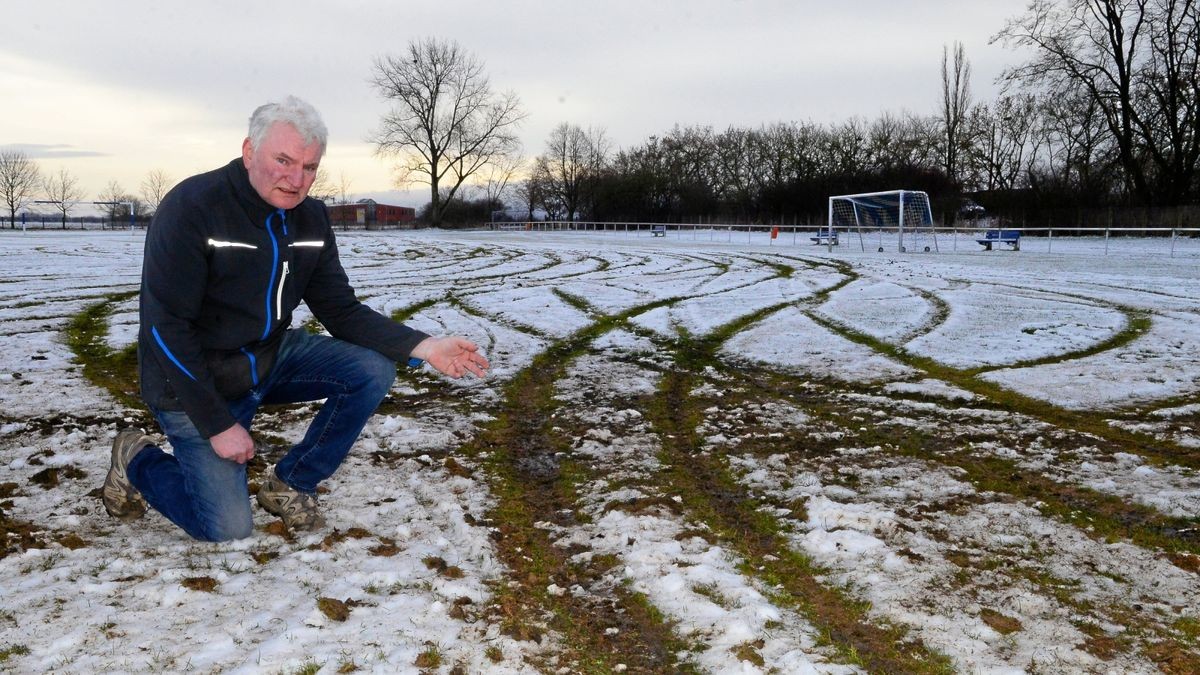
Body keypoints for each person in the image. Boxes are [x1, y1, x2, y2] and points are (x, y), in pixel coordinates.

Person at [101, 95, 488, 542]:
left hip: (267, 357)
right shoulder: (193, 208)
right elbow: (165, 328)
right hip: (193, 381)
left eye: (309, 167)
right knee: (225, 528)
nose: (296, 178)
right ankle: (136, 458)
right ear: (250, 152)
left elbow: (341, 310)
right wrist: (218, 424)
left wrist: (425, 346)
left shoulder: (310, 219)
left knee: (370, 370)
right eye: (283, 160)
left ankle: (291, 483)